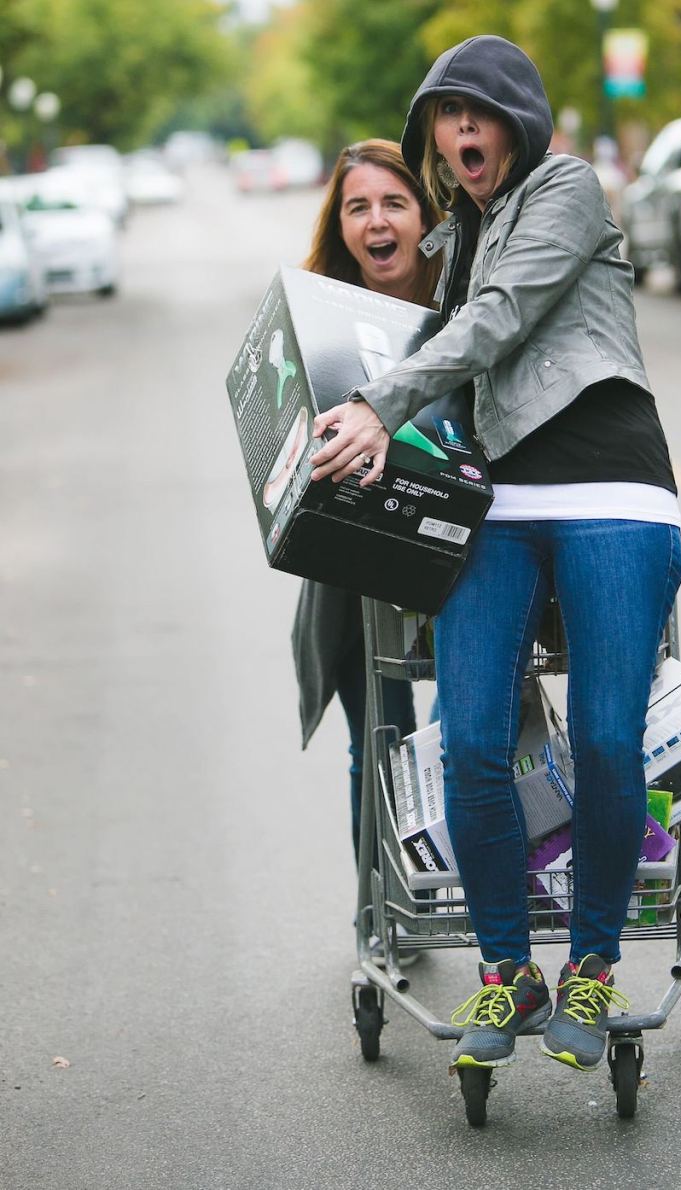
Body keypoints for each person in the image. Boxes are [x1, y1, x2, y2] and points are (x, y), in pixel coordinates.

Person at [310, 37, 681, 1074]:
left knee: (608, 737)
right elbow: (391, 306)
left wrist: (379, 404)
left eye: (482, 112)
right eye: (447, 115)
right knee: (469, 735)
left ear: (518, 120)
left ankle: (595, 963)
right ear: (432, 132)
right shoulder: (457, 232)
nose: (465, 130)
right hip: (499, 505)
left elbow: (499, 319)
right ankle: (508, 969)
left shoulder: (565, 187)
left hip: (612, 486)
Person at [291, 140, 441, 864]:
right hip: (354, 569)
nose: (377, 221)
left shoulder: (466, 305)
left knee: (455, 744)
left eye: (393, 203)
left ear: (423, 216)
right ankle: (379, 911)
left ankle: (460, 887)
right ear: (341, 226)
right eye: (358, 207)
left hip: (457, 559)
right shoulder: (318, 317)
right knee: (379, 743)